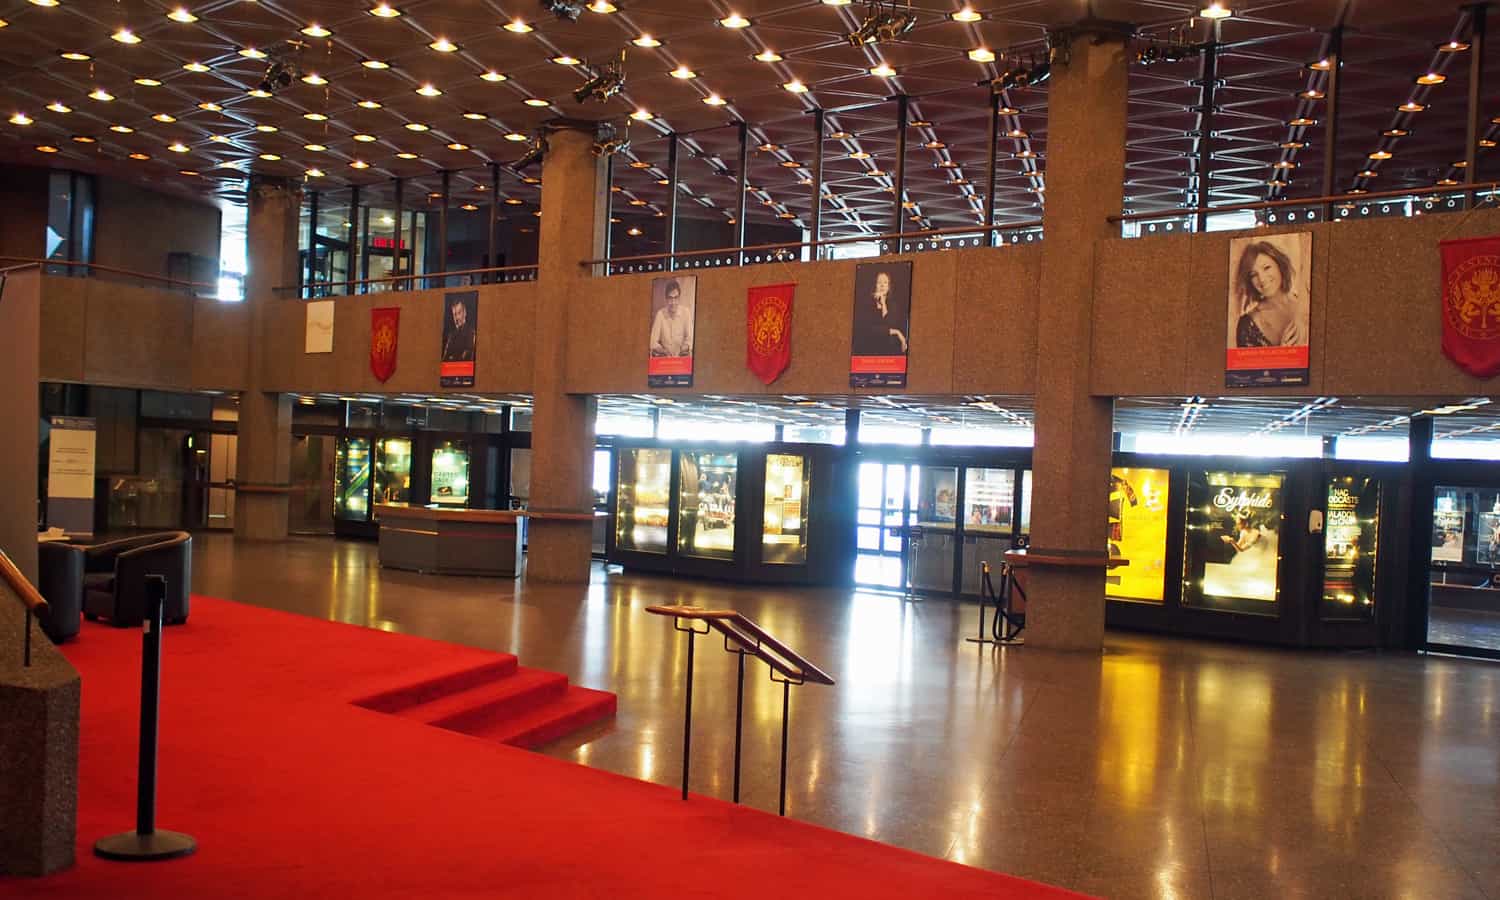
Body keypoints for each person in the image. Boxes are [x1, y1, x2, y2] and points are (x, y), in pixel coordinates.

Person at [1233, 241, 1308, 348]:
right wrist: (1282, 354)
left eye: (1266, 268)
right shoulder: (1247, 325)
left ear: (1279, 265)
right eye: (1254, 274)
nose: (1262, 279)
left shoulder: (1305, 302)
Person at [852, 269, 909, 357]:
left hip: (889, 351)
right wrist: (897, 332)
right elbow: (867, 329)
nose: (882, 285)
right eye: (879, 282)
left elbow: (890, 324)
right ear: (875, 285)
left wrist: (883, 304)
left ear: (889, 287)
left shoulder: (893, 305)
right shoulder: (866, 303)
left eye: (885, 282)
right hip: (869, 350)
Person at [649, 279, 693, 358]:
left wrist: (683, 348)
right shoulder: (660, 314)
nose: (673, 302)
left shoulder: (686, 313)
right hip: (665, 358)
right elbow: (652, 342)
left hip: (682, 358)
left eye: (676, 298)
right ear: (666, 299)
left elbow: (690, 340)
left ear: (679, 298)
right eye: (670, 298)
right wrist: (664, 351)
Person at [442, 295, 476, 362]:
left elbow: (466, 358)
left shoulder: (472, 333)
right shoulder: (451, 336)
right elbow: (444, 359)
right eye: (454, 314)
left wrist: (452, 357)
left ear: (465, 312)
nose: (456, 318)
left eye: (459, 313)